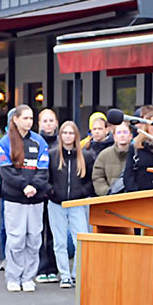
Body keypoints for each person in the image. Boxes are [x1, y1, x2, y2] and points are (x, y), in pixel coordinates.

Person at [0, 105, 51, 292]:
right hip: (14, 199)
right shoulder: (5, 142)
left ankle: (29, 277)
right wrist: (23, 186)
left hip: (35, 199)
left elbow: (43, 170)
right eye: (25, 118)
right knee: (16, 239)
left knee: (34, 238)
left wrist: (34, 186)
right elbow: (6, 171)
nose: (29, 122)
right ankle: (14, 276)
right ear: (16, 120)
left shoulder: (39, 142)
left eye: (31, 118)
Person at [47, 120, 95, 288]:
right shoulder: (52, 154)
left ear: (76, 136)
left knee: (80, 239)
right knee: (59, 241)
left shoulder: (86, 156)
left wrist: (82, 193)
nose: (68, 136)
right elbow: (46, 178)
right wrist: (51, 191)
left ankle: (76, 274)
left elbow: (91, 180)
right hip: (56, 203)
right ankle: (65, 275)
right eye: (65, 133)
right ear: (60, 135)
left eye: (71, 133)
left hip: (77, 203)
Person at [35, 108, 61, 284]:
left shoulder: (62, 142)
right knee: (38, 232)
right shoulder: (34, 143)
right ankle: (40, 267)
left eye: (51, 121)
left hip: (55, 194)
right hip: (37, 193)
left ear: (56, 123)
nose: (48, 124)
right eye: (45, 121)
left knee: (53, 233)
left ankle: (53, 268)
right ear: (39, 124)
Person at [92, 122, 132, 196]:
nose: (122, 135)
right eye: (119, 132)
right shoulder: (104, 155)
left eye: (125, 132)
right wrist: (107, 192)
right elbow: (97, 177)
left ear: (130, 136)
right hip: (110, 199)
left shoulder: (137, 154)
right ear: (114, 136)